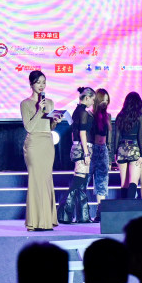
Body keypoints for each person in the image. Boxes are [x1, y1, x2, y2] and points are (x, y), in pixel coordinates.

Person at [20, 71, 61, 231]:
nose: (41, 85)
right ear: (31, 84)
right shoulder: (25, 103)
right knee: (36, 181)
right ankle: (35, 222)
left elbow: (49, 126)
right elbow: (29, 127)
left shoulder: (50, 102)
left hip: (47, 143)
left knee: (46, 180)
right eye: (38, 82)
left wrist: (55, 122)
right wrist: (39, 110)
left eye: (44, 82)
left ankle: (47, 221)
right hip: (34, 144)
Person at [59, 87, 95, 224]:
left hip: (79, 147)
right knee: (79, 180)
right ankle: (64, 213)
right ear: (87, 98)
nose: (93, 102)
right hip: (82, 148)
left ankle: (82, 215)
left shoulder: (77, 111)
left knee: (81, 181)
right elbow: (82, 133)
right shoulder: (83, 112)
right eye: (92, 99)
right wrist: (86, 153)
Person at [113, 92, 142, 199]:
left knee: (124, 182)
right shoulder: (140, 116)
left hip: (122, 149)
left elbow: (116, 136)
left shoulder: (120, 116)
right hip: (134, 148)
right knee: (133, 181)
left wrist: (115, 153)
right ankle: (129, 206)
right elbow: (140, 137)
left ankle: (123, 207)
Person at [91, 88, 113, 204]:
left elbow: (110, 138)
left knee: (102, 181)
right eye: (103, 100)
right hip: (91, 149)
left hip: (103, 149)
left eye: (107, 100)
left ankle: (100, 209)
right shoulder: (90, 115)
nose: (105, 102)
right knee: (86, 179)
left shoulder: (107, 116)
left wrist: (110, 158)